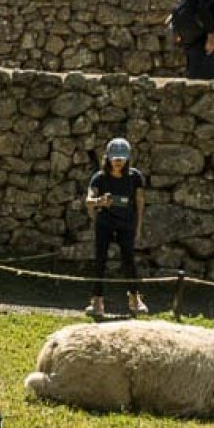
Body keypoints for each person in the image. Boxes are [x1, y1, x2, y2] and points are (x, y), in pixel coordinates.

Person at [85, 137, 147, 320]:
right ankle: (97, 301)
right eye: (115, 159)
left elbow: (140, 202)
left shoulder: (135, 177)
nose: (118, 162)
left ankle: (135, 299)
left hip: (126, 224)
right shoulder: (99, 177)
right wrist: (99, 201)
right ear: (108, 158)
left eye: (121, 159)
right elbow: (88, 200)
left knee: (129, 259)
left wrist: (139, 227)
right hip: (105, 223)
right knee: (100, 260)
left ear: (127, 159)